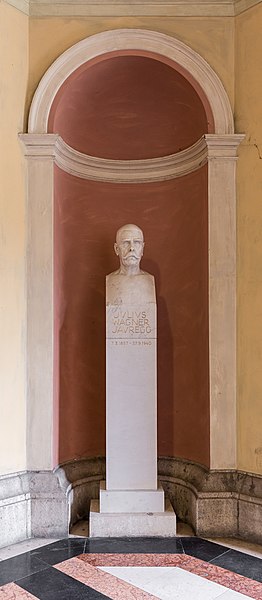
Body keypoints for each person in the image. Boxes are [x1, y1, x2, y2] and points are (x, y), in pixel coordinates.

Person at [106, 224, 155, 305]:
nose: (131, 248)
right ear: (116, 249)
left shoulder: (149, 280)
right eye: (126, 243)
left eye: (137, 242)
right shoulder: (110, 279)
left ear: (142, 248)